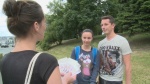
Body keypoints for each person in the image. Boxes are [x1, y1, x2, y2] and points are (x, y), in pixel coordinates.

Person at [0, 0, 75, 84]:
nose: (45, 27)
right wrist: (65, 81)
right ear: (36, 26)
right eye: (44, 21)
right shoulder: (46, 61)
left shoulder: (5, 60)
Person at [98, 15, 132, 84]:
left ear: (113, 25)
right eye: (102, 25)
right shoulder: (101, 43)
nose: (103, 27)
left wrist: (128, 82)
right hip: (102, 78)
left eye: (106, 24)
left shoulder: (122, 41)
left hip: (115, 80)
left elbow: (128, 64)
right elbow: (100, 63)